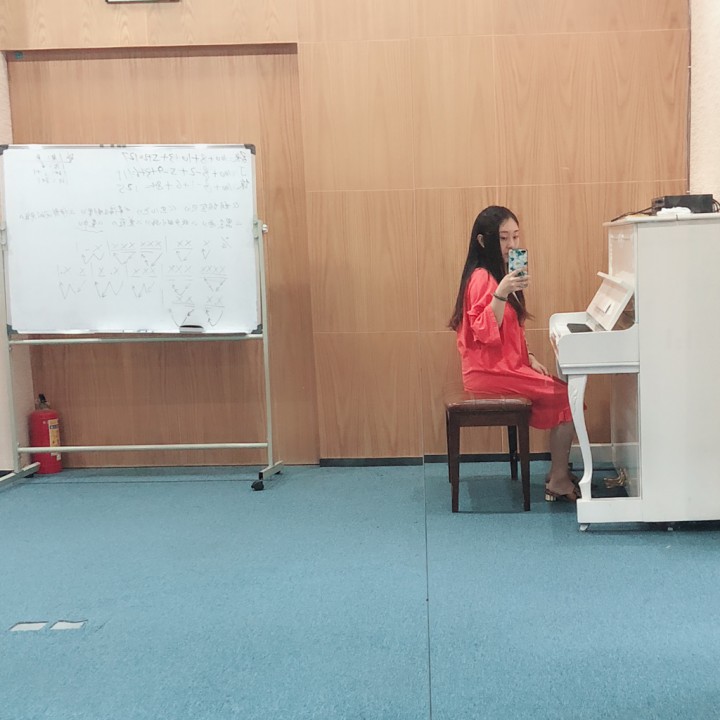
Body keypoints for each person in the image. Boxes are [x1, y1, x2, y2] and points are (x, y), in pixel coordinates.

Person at [448, 206, 579, 502]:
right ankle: (558, 479)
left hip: (503, 366)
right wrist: (501, 293)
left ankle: (557, 472)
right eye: (503, 238)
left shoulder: (500, 274)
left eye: (516, 237)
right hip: (488, 372)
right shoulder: (482, 278)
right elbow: (484, 331)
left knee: (563, 392)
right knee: (567, 397)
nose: (512, 245)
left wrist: (528, 356)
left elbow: (513, 326)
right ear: (484, 241)